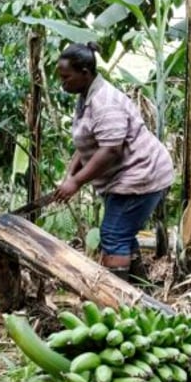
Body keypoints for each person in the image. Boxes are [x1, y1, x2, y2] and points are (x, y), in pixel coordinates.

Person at [53, 42, 173, 285]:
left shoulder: (105, 103)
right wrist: (70, 175)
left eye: (66, 77)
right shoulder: (86, 95)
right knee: (122, 235)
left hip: (143, 174)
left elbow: (110, 150)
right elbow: (87, 142)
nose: (62, 83)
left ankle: (116, 304)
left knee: (114, 234)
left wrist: (76, 182)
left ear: (85, 74)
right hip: (125, 177)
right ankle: (142, 298)